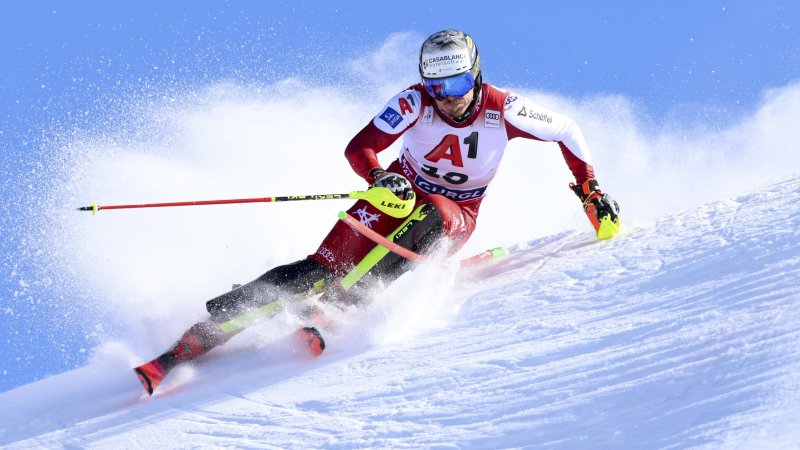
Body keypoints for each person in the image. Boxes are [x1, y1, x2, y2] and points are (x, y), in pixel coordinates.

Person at [134, 29, 621, 395]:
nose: (449, 98)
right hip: (396, 196)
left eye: (457, 83)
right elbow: (360, 147)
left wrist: (590, 191)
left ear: (475, 74)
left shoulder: (504, 108)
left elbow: (567, 130)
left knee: (433, 215)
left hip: (454, 214)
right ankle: (191, 343)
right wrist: (378, 176)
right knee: (317, 270)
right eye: (437, 86)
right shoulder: (414, 101)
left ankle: (345, 304)